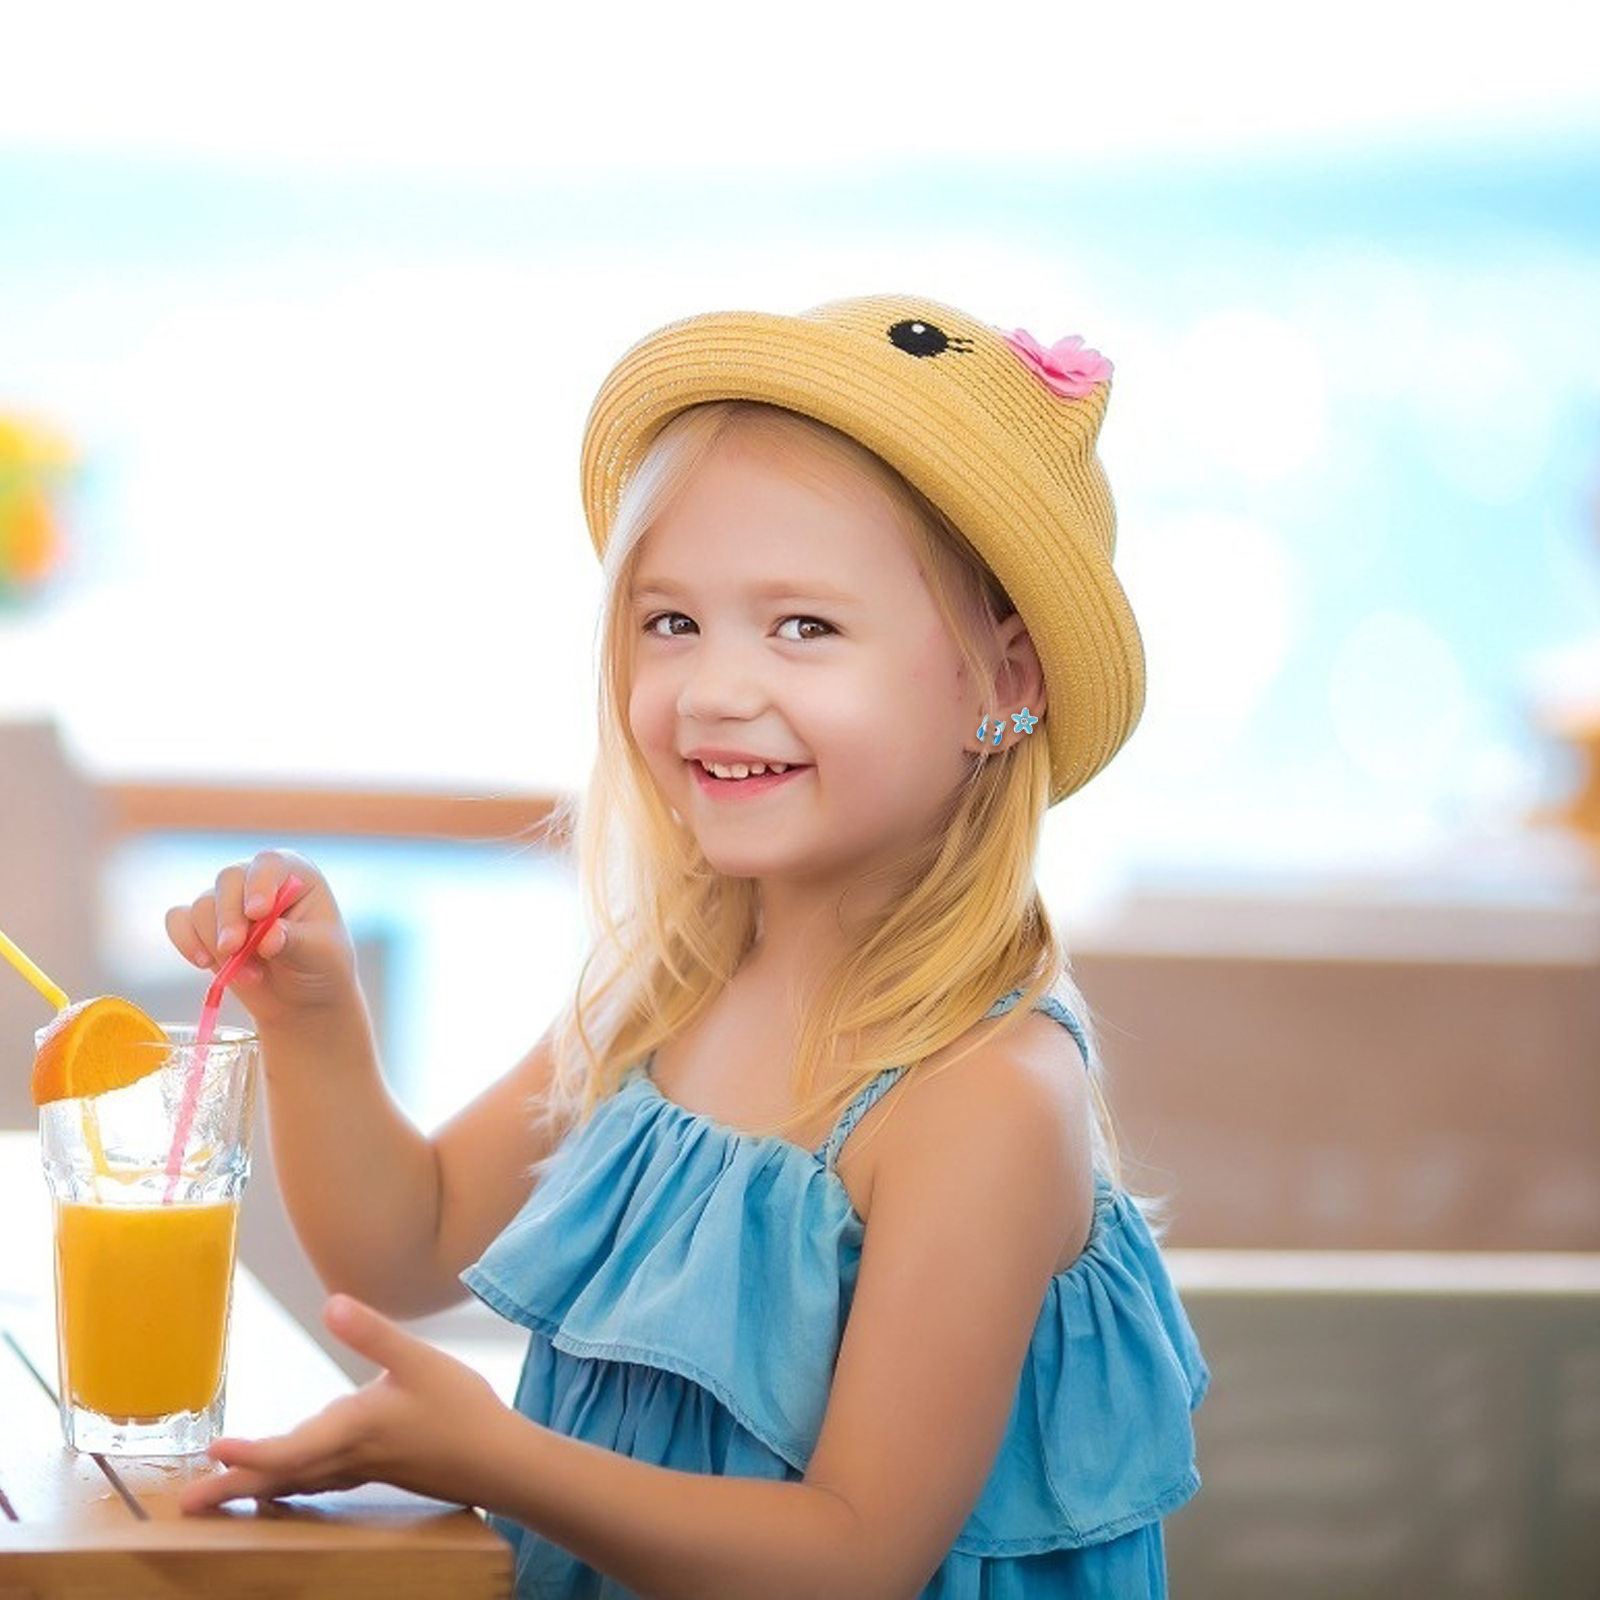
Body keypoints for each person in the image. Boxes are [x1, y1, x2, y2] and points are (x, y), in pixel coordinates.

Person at [169, 294, 1208, 1598]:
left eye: (804, 627)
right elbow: (406, 1245)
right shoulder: (671, 992)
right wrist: (313, 1020)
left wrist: (500, 1459)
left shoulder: (981, 1097)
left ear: (1004, 682)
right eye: (673, 623)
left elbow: (855, 1556)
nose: (714, 688)